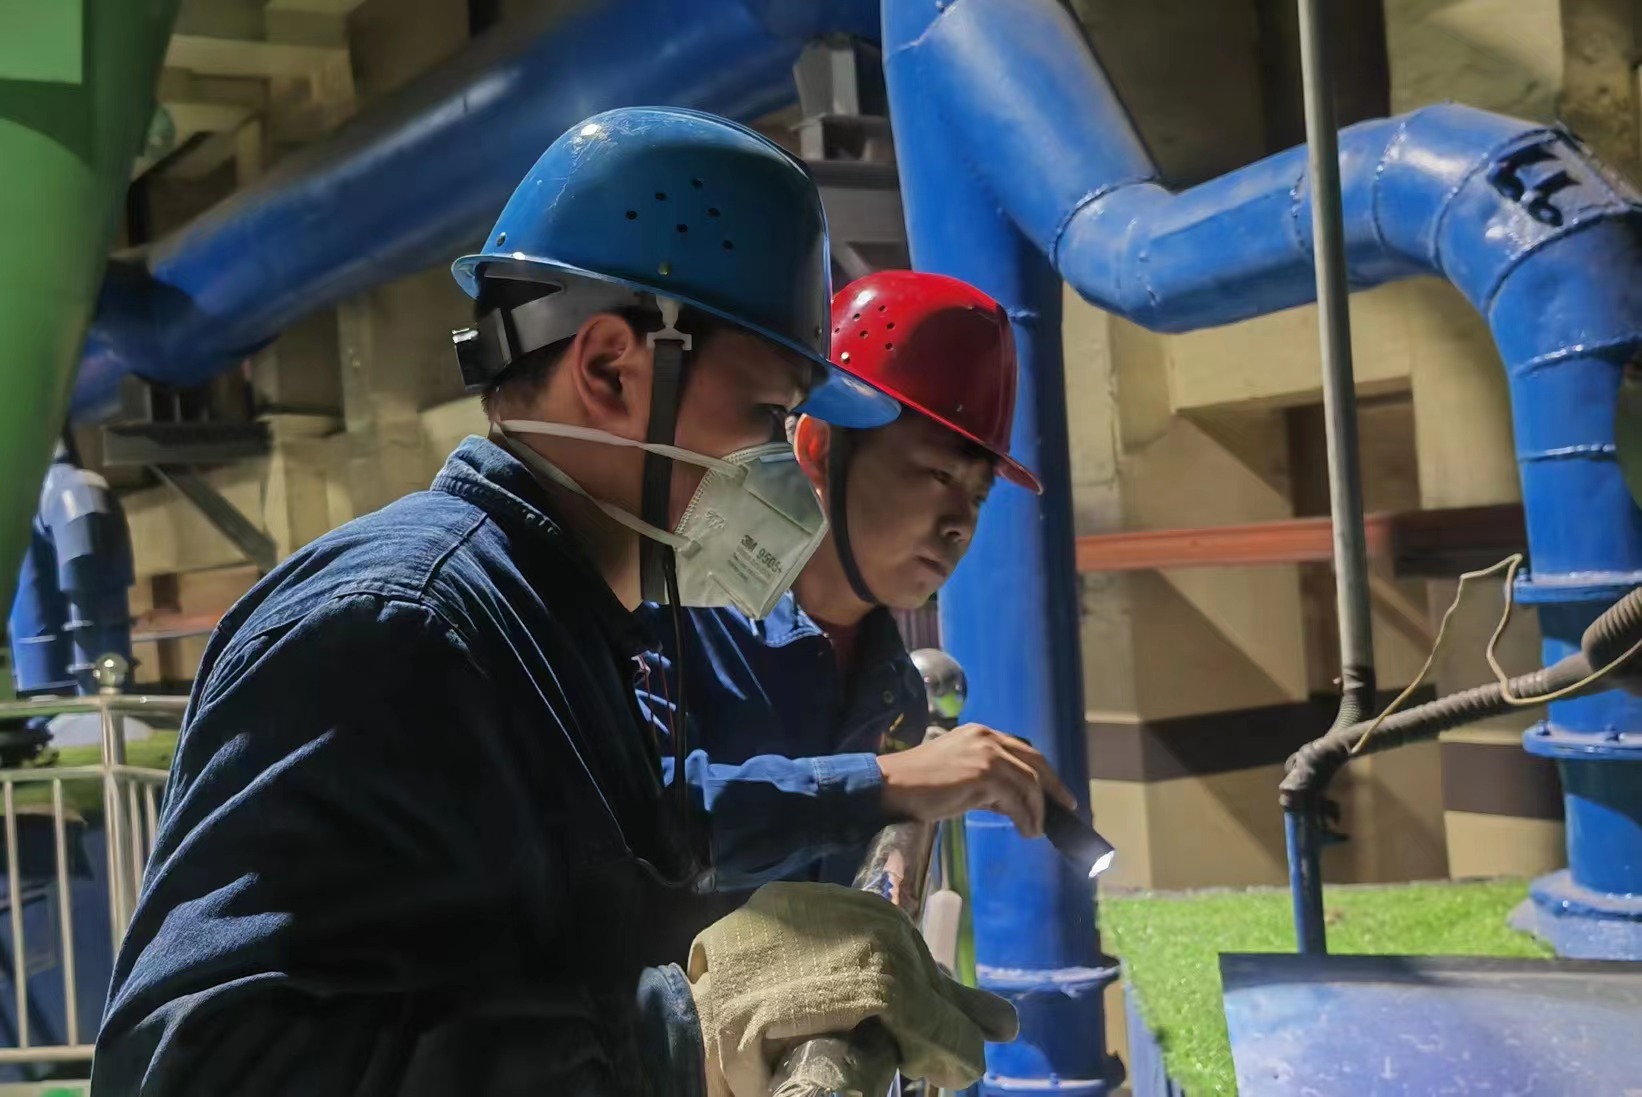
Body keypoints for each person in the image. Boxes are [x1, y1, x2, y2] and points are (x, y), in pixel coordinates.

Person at [91, 109, 1015, 1097]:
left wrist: (864, 805)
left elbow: (646, 844)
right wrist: (682, 1034)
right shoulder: (400, 624)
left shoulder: (567, 625)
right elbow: (197, 1066)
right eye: (768, 414)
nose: (787, 467)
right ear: (613, 366)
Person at [639, 270, 1077, 928]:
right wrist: (890, 782)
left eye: (978, 494)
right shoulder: (671, 617)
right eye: (936, 473)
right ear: (818, 446)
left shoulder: (894, 693)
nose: (960, 520)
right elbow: (640, 827)